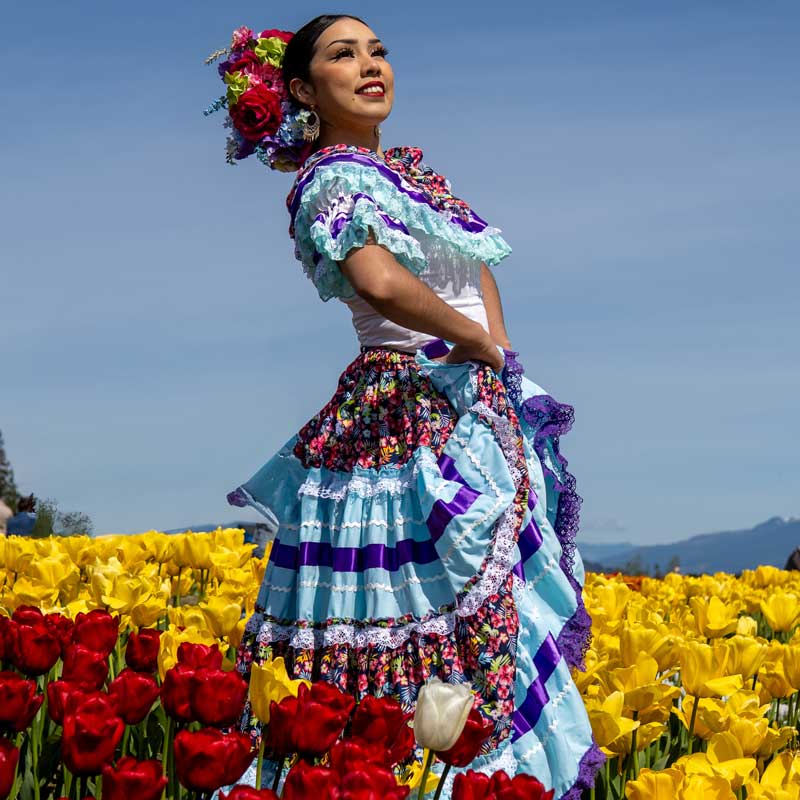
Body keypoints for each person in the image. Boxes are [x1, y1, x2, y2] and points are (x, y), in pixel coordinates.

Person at [209, 14, 605, 797]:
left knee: (486, 608)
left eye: (378, 51)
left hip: (474, 401)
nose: (369, 65)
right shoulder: (329, 179)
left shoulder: (420, 178)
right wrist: (478, 344)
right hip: (400, 414)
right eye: (343, 54)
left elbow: (482, 264)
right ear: (300, 90)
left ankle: (491, 776)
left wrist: (497, 360)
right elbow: (380, 282)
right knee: (407, 611)